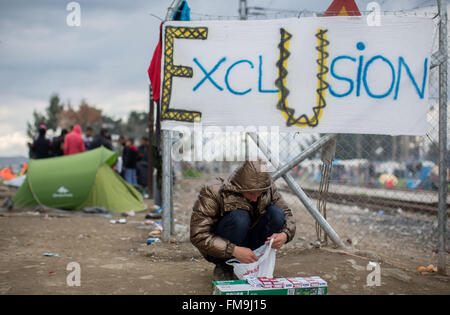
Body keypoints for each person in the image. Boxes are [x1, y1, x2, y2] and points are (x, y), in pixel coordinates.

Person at [190, 159, 296, 281]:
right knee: (240, 217)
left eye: (259, 193)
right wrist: (233, 250)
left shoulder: (268, 188)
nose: (255, 199)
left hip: (252, 242)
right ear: (239, 187)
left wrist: (285, 234)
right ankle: (224, 267)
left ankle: (255, 265)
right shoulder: (213, 191)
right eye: (251, 194)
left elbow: (287, 214)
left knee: (277, 214)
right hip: (222, 247)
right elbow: (198, 234)